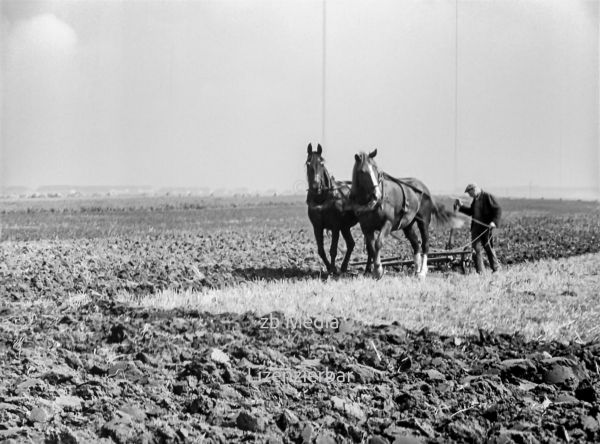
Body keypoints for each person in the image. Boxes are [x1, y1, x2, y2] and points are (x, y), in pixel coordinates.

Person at [454, 183, 502, 273]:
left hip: (486, 228)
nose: (469, 195)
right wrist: (461, 206)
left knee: (488, 247)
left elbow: (498, 209)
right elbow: (471, 211)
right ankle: (480, 271)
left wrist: (494, 222)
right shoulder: (475, 199)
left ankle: (496, 268)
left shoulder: (487, 197)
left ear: (474, 189)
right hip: (476, 228)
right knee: (476, 249)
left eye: (469, 193)